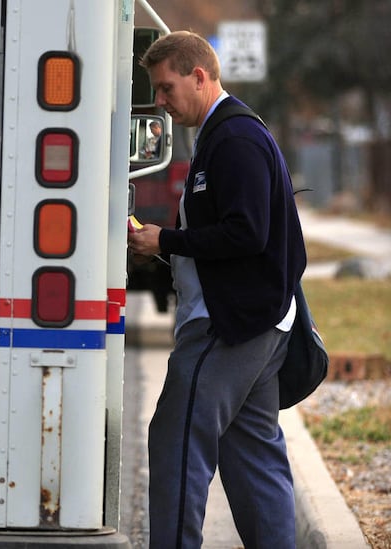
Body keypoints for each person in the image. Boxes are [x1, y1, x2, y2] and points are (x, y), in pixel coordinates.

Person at [128, 31, 306, 548]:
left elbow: (247, 232)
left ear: (199, 76)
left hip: (230, 331)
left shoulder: (235, 139)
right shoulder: (223, 136)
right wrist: (167, 251)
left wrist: (169, 238)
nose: (159, 101)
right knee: (254, 460)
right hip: (258, 326)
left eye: (166, 87)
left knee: (176, 444)